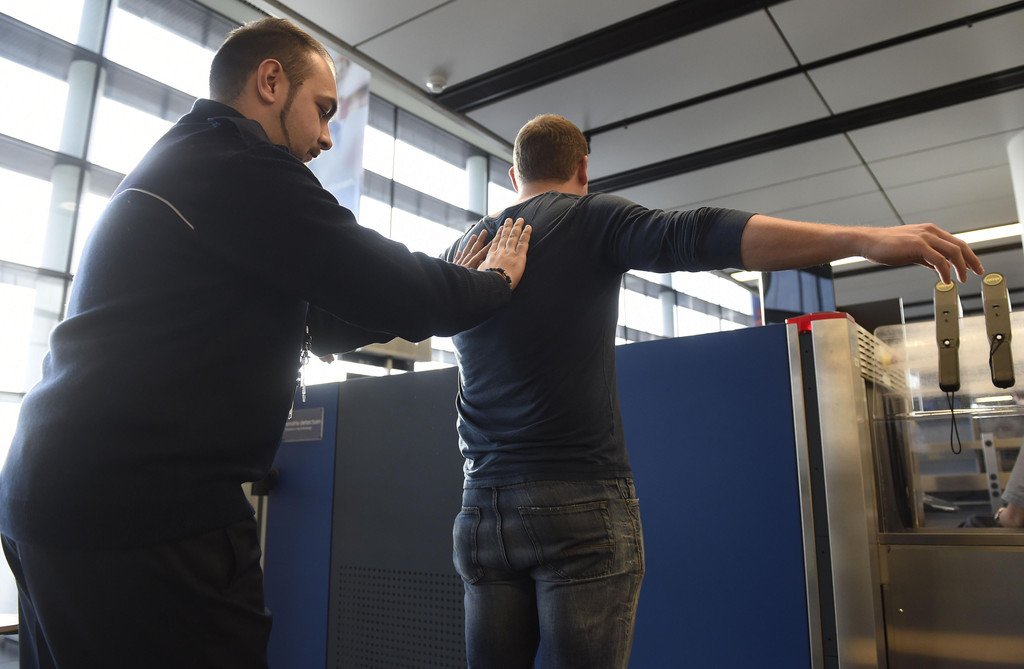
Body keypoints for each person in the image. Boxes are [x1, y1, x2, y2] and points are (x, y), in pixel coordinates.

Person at [0, 18, 532, 669]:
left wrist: (449, 284)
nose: (326, 138)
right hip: (142, 509)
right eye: (323, 110)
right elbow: (381, 280)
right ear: (271, 81)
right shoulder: (240, 164)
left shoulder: (185, 163)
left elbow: (325, 315)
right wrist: (492, 284)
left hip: (48, 494)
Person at [443, 113, 985, 669]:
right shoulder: (588, 218)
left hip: (480, 511)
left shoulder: (465, 248)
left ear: (513, 175)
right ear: (583, 168)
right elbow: (699, 234)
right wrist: (863, 239)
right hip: (576, 504)